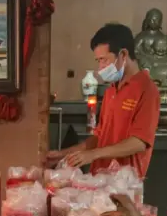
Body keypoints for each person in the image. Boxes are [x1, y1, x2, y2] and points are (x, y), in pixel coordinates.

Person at [45, 23, 160, 177]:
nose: (100, 68)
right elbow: (98, 137)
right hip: (99, 179)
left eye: (104, 60)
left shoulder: (146, 89)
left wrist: (93, 154)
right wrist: (63, 154)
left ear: (123, 55)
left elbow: (139, 142)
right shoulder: (111, 90)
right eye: (98, 61)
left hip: (124, 183)